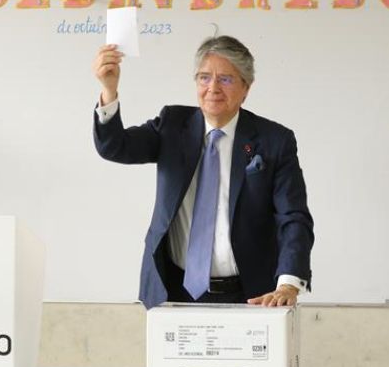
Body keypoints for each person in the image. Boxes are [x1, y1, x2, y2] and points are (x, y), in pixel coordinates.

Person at [92, 35, 313, 310]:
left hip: (251, 294)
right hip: (173, 289)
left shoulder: (274, 141)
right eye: (204, 78)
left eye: (226, 79)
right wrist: (109, 91)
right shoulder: (172, 125)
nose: (213, 88)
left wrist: (289, 283)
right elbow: (115, 147)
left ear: (246, 87)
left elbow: (293, 218)